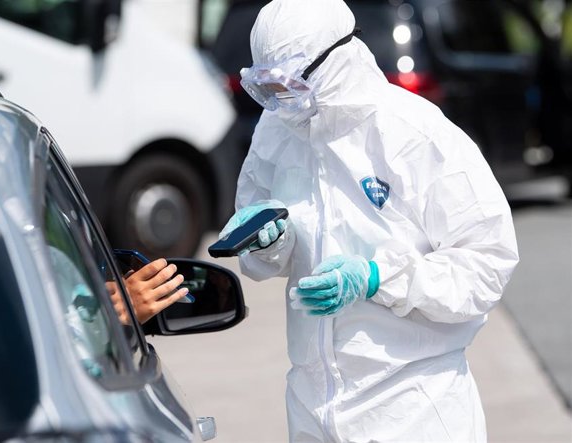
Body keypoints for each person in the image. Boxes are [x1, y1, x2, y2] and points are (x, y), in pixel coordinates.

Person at [218, 0, 519, 441]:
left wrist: (379, 278)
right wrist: (271, 243)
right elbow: (263, 240)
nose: (282, 101)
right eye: (268, 87)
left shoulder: (414, 134)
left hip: (411, 404)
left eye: (290, 83)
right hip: (313, 405)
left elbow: (487, 262)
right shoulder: (277, 129)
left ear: (336, 60)